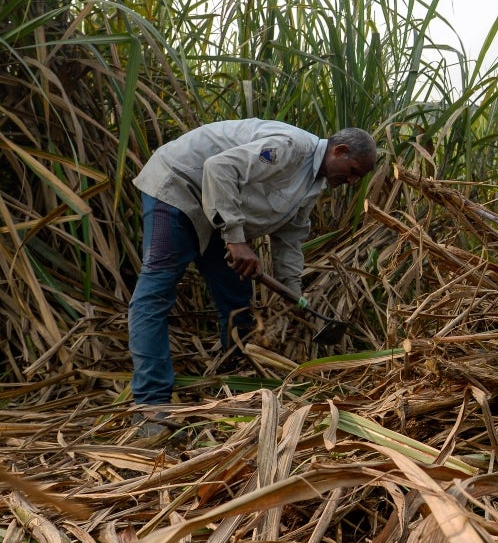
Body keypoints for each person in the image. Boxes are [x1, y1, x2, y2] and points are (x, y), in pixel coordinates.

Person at [127, 119, 377, 421]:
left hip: (214, 209)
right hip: (178, 187)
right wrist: (235, 238)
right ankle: (150, 407)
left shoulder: (313, 183)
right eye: (353, 173)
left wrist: (293, 293)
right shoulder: (290, 148)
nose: (352, 182)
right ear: (340, 150)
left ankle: (239, 378)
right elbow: (219, 168)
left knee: (236, 291)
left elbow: (290, 238)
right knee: (155, 292)